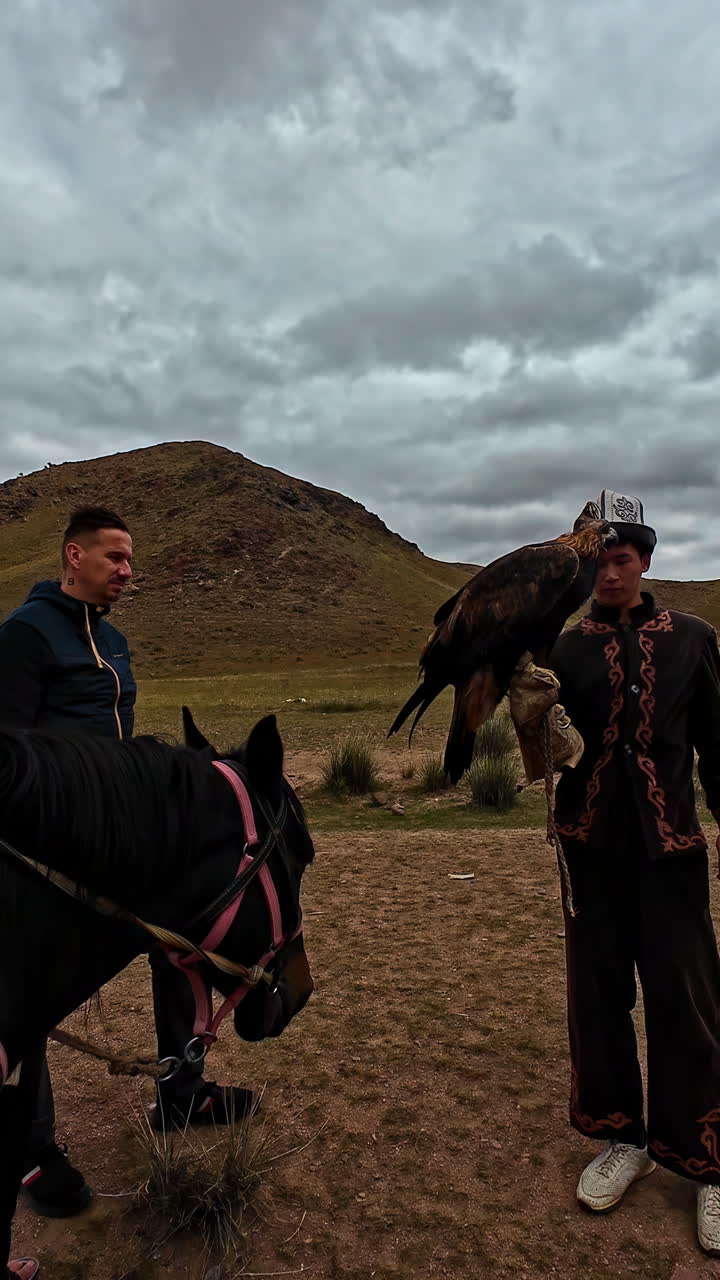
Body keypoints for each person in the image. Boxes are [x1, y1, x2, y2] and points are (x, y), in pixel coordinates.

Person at [0, 507, 255, 1232]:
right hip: (48, 851)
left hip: (122, 844)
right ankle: (30, 1146)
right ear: (72, 555)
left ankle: (184, 1093)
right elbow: (10, 753)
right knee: (25, 992)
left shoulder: (112, 640)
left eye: (131, 559)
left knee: (181, 943)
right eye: (114, 557)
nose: (127, 571)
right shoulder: (23, 636)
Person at [549, 489, 720, 1256]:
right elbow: (548, 747)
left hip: (671, 849)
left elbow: (718, 741)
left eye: (621, 559)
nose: (610, 574)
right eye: (598, 561)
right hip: (588, 848)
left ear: (644, 560)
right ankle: (624, 1137)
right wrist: (534, 727)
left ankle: (708, 1160)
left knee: (689, 1000)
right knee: (599, 995)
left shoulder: (692, 639)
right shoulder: (562, 650)